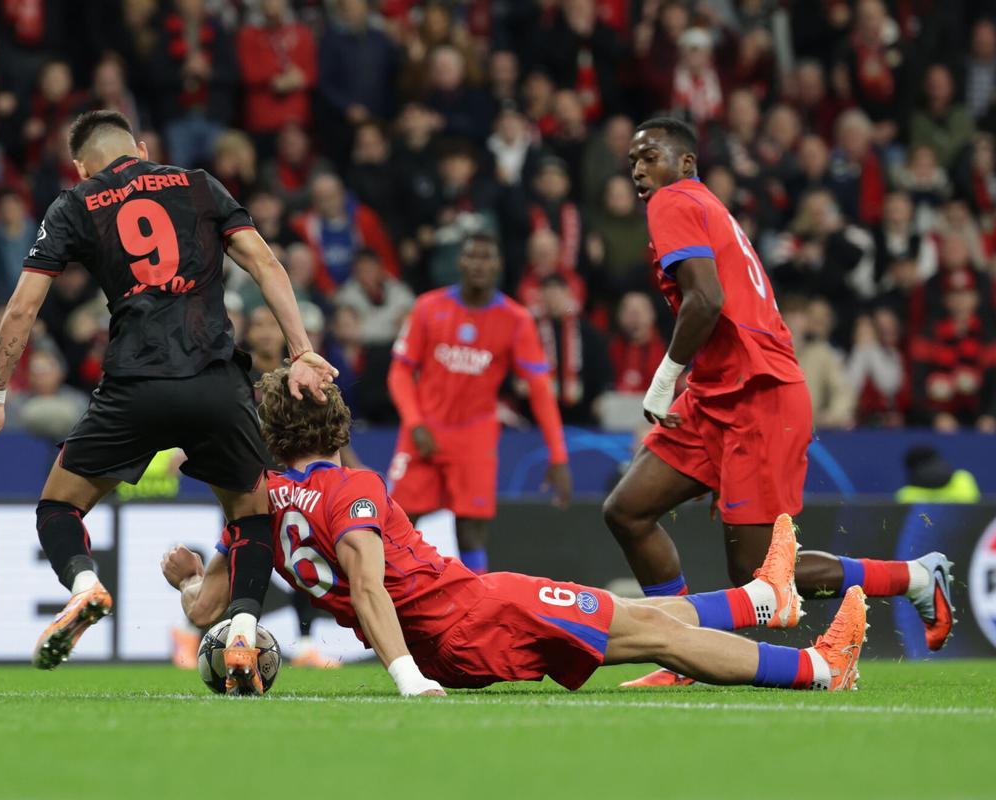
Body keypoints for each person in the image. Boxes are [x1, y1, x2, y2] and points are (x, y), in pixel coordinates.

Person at [160, 368, 870, 696]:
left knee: (638, 616)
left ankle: (763, 602)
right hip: (471, 612)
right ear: (333, 422)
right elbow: (370, 585)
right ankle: (816, 669)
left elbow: (205, 611)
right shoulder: (351, 488)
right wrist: (406, 680)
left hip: (452, 639)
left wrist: (188, 576)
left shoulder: (255, 509)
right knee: (656, 635)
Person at [0, 110, 337, 693]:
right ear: (141, 146)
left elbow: (22, 310)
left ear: (82, 166)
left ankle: (85, 588)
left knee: (58, 508)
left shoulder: (76, 203)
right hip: (215, 382)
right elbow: (264, 263)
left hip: (135, 384)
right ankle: (244, 626)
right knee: (251, 516)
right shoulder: (200, 184)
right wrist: (302, 349)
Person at [606, 117, 954, 687]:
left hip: (758, 395)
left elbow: (706, 300)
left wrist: (664, 376)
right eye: (632, 162)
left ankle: (914, 576)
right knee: (628, 509)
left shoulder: (673, 201)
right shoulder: (699, 205)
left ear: (686, 163)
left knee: (756, 573)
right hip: (718, 391)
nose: (639, 169)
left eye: (650, 157)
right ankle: (679, 654)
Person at [386, 232, 572, 576]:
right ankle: (388, 606)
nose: (478, 264)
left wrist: (558, 456)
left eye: (486, 257)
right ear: (460, 262)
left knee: (470, 532)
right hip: (423, 429)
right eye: (472, 256)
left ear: (498, 264)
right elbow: (399, 372)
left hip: (474, 436)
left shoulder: (516, 320)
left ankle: (476, 613)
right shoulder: (429, 306)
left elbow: (541, 391)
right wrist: (414, 422)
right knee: (396, 524)